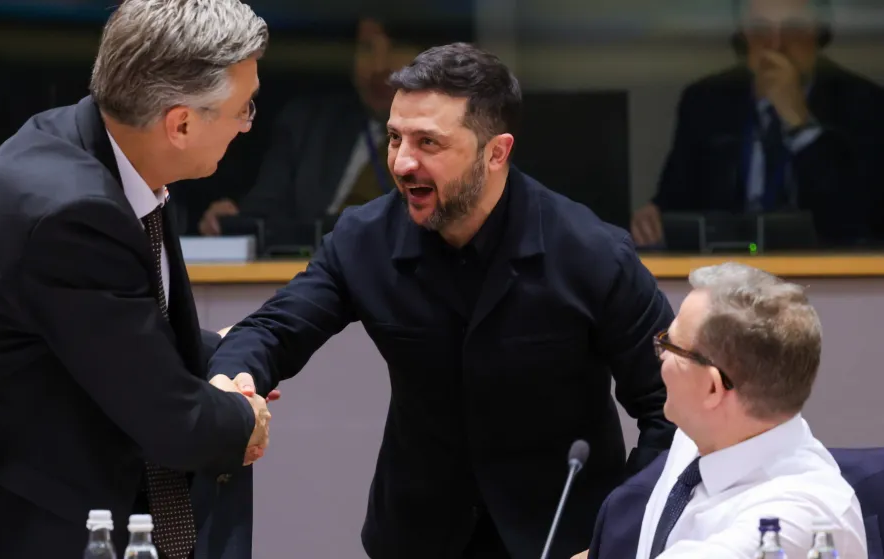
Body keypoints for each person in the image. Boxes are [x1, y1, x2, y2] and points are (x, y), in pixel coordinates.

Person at [210, 43, 676, 559]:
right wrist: (233, 383)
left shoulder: (591, 252)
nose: (403, 162)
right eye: (394, 138)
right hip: (418, 535)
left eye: (428, 142)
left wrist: (619, 533)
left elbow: (673, 410)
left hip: (565, 537)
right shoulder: (365, 237)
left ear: (496, 152)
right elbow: (273, 330)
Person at [0, 1, 272, 557]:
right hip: (3, 520)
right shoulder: (71, 212)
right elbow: (172, 424)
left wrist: (214, 350)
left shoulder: (89, 144)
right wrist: (241, 416)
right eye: (244, 108)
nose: (248, 124)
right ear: (180, 123)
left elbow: (101, 322)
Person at [630, 262, 867, 558]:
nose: (662, 355)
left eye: (671, 345)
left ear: (712, 388)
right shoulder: (704, 433)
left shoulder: (798, 525)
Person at [631, 0, 884, 247]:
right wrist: (654, 221)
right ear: (743, 35)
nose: (775, 45)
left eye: (793, 29)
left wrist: (800, 123)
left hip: (827, 275)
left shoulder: (866, 104)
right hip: (729, 272)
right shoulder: (705, 100)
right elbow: (675, 204)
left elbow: (858, 221)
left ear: (819, 33)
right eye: (760, 29)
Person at [196, 14, 424, 238]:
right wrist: (230, 222)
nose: (378, 65)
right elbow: (262, 215)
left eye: (395, 46)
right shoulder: (307, 126)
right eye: (366, 48)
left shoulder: (450, 138)